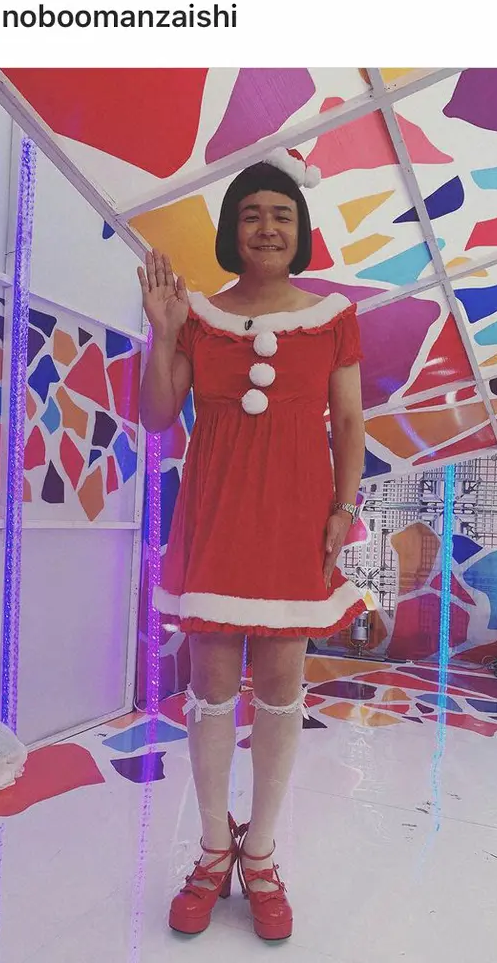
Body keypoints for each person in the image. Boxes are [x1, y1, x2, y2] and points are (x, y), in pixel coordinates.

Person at [138, 148, 367, 942]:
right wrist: (163, 333)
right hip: (216, 517)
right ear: (232, 231)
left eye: (281, 214)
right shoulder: (197, 315)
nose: (267, 226)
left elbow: (350, 421)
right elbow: (158, 415)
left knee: (280, 680)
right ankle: (212, 850)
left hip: (296, 519)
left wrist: (344, 508)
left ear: (300, 228)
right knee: (208, 680)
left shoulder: (333, 316)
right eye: (251, 214)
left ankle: (260, 853)